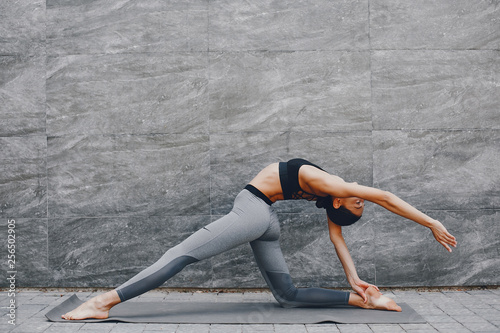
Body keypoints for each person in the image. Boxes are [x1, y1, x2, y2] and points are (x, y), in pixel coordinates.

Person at [62, 158, 457, 320]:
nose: (361, 197)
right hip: (262, 216)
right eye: (359, 202)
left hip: (254, 212)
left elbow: (344, 234)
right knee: (285, 294)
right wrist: (429, 222)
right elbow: (368, 211)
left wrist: (355, 277)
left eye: (357, 202)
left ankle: (103, 303)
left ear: (336, 201)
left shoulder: (330, 190)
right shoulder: (330, 188)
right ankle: (365, 301)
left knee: (181, 254)